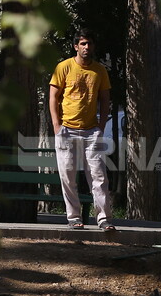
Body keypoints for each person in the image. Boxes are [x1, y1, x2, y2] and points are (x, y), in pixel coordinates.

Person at [48, 30, 115, 231]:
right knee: (67, 176)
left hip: (91, 131)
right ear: (76, 46)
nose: (87, 48)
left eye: (90, 44)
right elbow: (53, 97)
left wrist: (101, 126)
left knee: (98, 176)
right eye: (83, 44)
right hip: (66, 129)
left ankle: (103, 219)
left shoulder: (100, 71)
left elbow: (105, 100)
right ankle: (74, 217)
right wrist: (56, 126)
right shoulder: (64, 67)